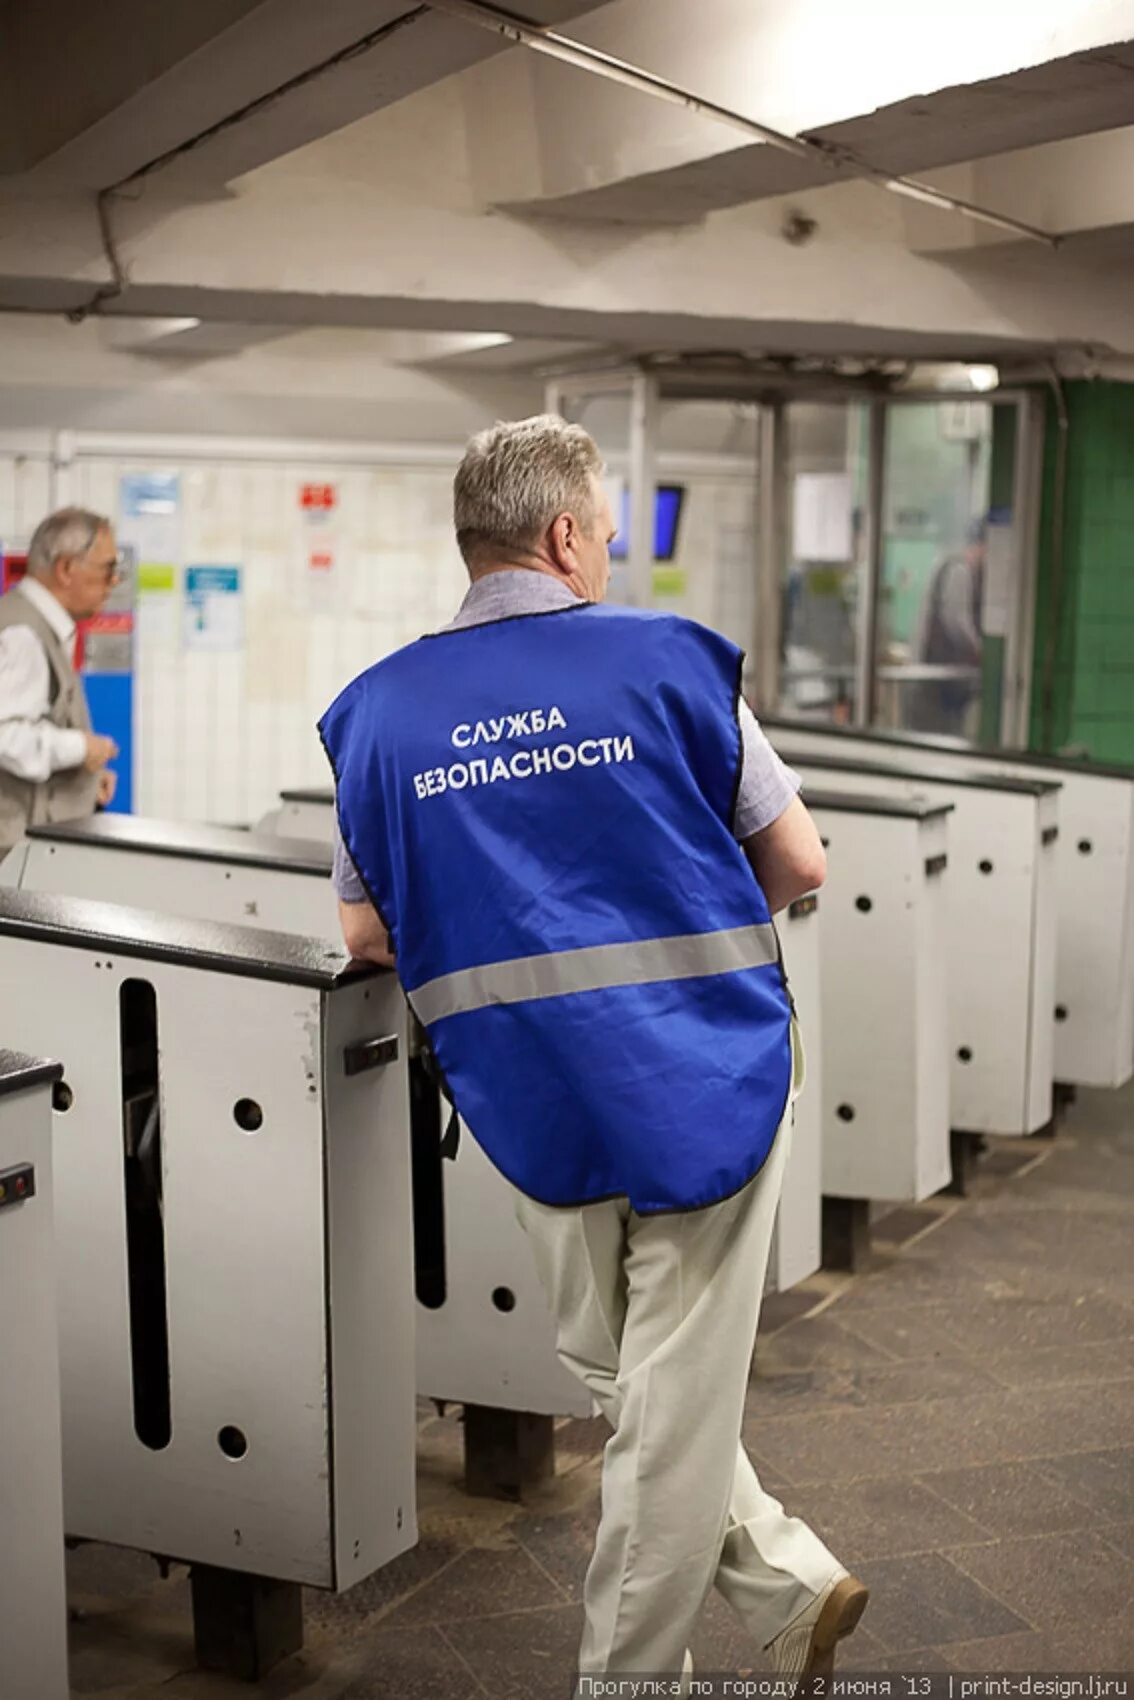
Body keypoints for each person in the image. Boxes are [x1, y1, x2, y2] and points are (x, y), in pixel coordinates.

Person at [321, 416, 868, 1688]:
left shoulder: (379, 713)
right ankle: (645, 1664)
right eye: (608, 535)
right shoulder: (668, 662)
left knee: (621, 1371)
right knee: (666, 1394)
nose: (609, 556)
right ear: (566, 535)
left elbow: (362, 928)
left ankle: (782, 1585)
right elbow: (800, 860)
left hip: (529, 1092)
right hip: (707, 1079)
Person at [0, 507, 120, 850]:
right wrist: (82, 748)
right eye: (108, 568)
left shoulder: (34, 623)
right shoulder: (23, 634)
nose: (114, 582)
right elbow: (5, 735)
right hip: (12, 855)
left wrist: (82, 782)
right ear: (67, 568)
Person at [908, 517, 987, 736]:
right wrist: (981, 650)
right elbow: (957, 622)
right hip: (936, 681)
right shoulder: (959, 570)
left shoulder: (944, 565)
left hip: (930, 678)